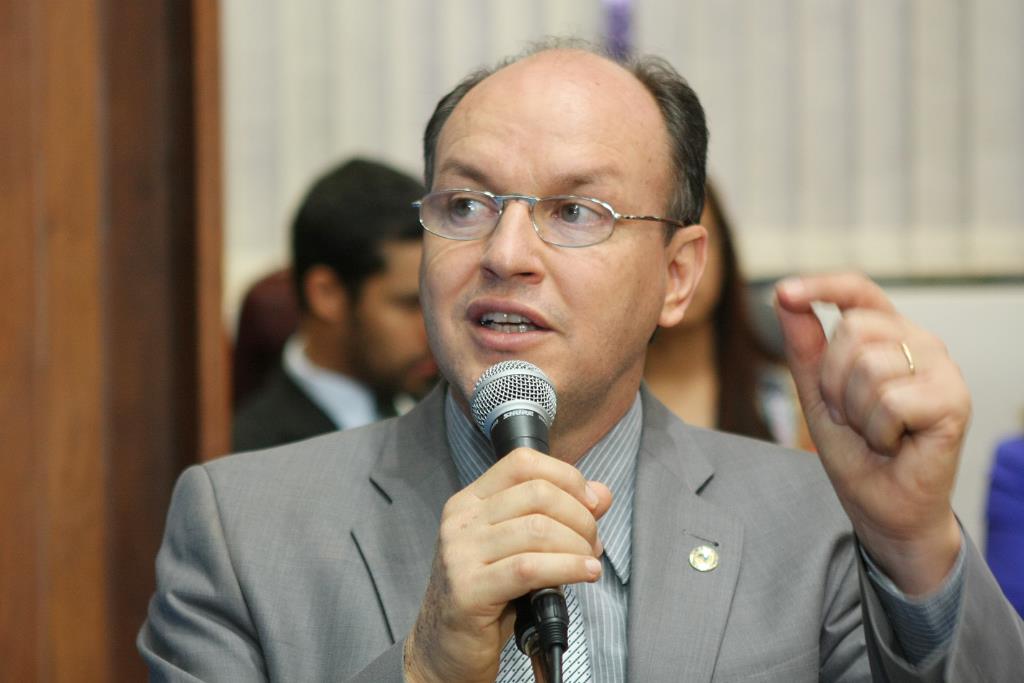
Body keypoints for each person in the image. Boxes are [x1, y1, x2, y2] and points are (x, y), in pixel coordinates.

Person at [140, 40, 1024, 681]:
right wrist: (425, 669)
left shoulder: (808, 522)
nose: (505, 252)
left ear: (677, 277)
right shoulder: (241, 530)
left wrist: (913, 545)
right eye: (465, 204)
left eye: (574, 213)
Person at [231, 158, 438, 452]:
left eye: (435, 299)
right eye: (410, 304)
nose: (433, 329)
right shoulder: (256, 454)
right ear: (326, 295)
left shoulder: (448, 406)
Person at [644, 181, 814, 449]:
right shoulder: (600, 399)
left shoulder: (783, 399)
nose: (680, 265)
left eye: (695, 244)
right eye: (662, 242)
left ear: (725, 254)